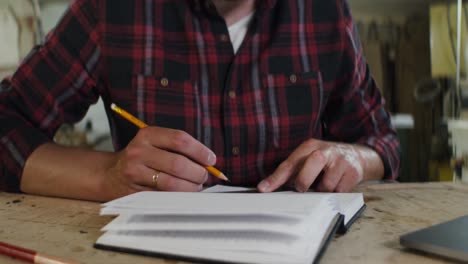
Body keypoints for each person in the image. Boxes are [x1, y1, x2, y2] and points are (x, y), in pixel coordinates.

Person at [0, 0, 400, 201]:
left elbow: (381, 141)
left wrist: (352, 157)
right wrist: (107, 174)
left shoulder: (323, 11)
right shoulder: (112, 9)